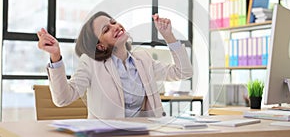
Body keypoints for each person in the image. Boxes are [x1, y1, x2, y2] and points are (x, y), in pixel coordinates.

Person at [37, 11, 193, 119]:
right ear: (100, 46)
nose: (115, 26)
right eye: (106, 29)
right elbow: (63, 99)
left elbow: (183, 72)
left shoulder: (143, 59)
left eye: (113, 22)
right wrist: (55, 56)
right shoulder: (91, 64)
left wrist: (169, 36)